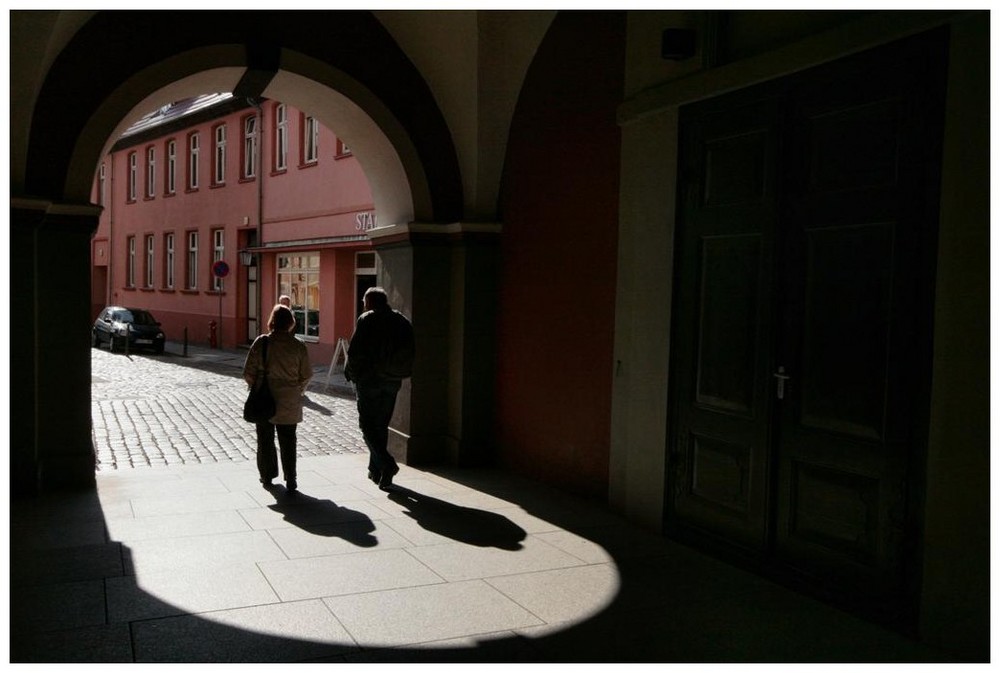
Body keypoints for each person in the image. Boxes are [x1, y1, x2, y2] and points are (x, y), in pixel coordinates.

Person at [345, 286, 415, 490]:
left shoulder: (367, 319)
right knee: (381, 425)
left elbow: (355, 350)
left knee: (366, 425)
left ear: (369, 302)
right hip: (393, 380)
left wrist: (352, 373)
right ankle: (376, 471)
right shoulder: (401, 320)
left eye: (364, 301)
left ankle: (387, 464)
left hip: (370, 381)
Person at [243, 304, 312, 492]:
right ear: (291, 322)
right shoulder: (298, 345)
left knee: (265, 439)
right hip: (289, 398)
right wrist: (297, 390)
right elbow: (306, 375)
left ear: (271, 321)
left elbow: (248, 372)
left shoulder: (261, 342)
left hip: (264, 398)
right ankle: (291, 477)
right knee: (289, 439)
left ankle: (267, 475)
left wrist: (256, 385)